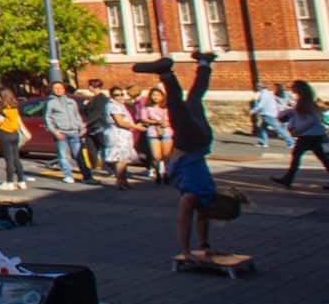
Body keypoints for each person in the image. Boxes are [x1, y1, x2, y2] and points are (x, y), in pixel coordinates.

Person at [133, 53, 249, 258]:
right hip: (190, 144)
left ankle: (204, 63)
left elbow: (201, 218)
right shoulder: (193, 197)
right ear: (215, 209)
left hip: (202, 140)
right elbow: (183, 222)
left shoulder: (208, 194)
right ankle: (166, 72)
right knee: (176, 106)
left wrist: (204, 246)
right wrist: (186, 251)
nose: (208, 219)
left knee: (194, 98)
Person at [271, 80, 329, 189]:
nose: (292, 89)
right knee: (319, 158)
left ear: (299, 88)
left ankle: (288, 179)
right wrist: (288, 114)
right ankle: (288, 179)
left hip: (311, 136)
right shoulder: (301, 101)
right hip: (310, 135)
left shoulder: (306, 102)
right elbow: (298, 116)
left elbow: (313, 119)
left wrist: (299, 131)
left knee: (318, 158)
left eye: (294, 87)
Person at [44, 81, 93, 185]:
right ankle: (68, 176)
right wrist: (54, 131)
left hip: (74, 131)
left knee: (79, 155)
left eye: (60, 88)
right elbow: (47, 118)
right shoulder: (50, 102)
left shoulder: (71, 101)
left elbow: (77, 116)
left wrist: (81, 128)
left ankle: (87, 176)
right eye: (55, 88)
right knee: (63, 156)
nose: (58, 90)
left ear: (64, 89)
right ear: (52, 90)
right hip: (61, 132)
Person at [104, 86, 148, 190]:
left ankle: (124, 181)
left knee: (124, 159)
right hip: (118, 134)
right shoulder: (113, 106)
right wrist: (136, 127)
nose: (119, 97)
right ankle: (120, 182)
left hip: (124, 134)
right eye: (116, 95)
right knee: (121, 159)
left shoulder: (120, 105)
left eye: (121, 94)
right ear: (111, 96)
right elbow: (120, 122)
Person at [0, 87, 28, 191]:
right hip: (14, 134)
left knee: (8, 159)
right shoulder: (13, 107)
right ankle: (21, 181)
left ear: (1, 97)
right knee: (16, 158)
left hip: (5, 133)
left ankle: (9, 182)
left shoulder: (3, 110)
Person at [80, 79, 113, 178]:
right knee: (91, 148)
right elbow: (85, 112)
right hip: (92, 127)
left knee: (104, 147)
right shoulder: (92, 98)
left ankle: (111, 168)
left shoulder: (101, 98)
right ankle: (94, 166)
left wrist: (86, 123)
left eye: (89, 85)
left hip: (99, 126)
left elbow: (97, 113)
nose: (88, 87)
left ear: (93, 86)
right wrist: (84, 106)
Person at [140, 87, 174, 184]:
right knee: (156, 156)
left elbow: (174, 118)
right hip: (153, 132)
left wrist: (167, 123)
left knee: (166, 156)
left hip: (166, 132)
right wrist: (155, 121)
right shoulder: (147, 107)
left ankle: (167, 174)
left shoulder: (167, 107)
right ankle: (156, 172)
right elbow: (144, 119)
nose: (155, 97)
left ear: (163, 96)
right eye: (153, 95)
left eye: (158, 95)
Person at [252, 82, 297, 149]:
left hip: (277, 113)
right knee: (265, 127)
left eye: (274, 88)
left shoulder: (273, 95)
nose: (272, 89)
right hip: (285, 113)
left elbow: (266, 103)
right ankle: (263, 142)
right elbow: (293, 103)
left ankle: (291, 142)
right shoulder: (286, 94)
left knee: (280, 129)